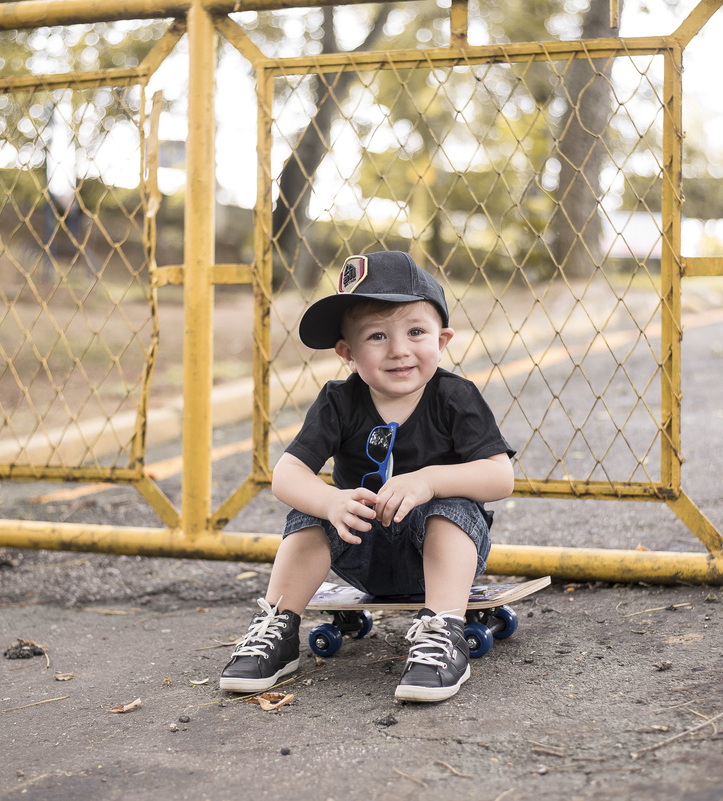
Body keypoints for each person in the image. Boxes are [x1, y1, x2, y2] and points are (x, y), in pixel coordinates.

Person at [219, 250, 515, 703]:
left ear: (443, 339)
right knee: (312, 508)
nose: (399, 349)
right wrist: (329, 502)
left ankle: (442, 632)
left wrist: (430, 481)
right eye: (377, 336)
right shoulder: (339, 402)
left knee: (450, 509)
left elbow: (500, 477)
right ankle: (278, 627)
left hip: (438, 556)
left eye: (416, 332)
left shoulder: (456, 397)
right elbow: (287, 473)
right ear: (347, 353)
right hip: (360, 551)